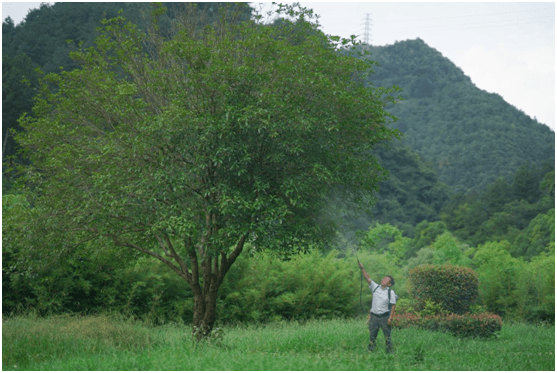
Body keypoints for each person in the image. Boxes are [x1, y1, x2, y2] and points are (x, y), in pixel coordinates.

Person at [358, 261, 397, 353]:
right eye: (384, 278)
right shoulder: (375, 287)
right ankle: (371, 352)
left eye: (386, 279)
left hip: (385, 317)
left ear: (389, 284)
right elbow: (367, 278)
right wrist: (362, 268)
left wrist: (390, 318)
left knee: (387, 337)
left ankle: (389, 353)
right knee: (372, 337)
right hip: (374, 317)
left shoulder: (390, 292)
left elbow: (393, 305)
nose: (383, 279)